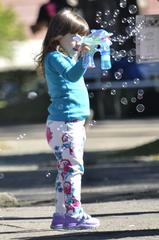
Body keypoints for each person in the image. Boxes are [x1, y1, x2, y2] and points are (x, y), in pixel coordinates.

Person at [36, 9, 100, 230]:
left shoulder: (63, 56)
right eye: (74, 36)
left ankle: (61, 215)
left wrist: (83, 53)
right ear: (57, 36)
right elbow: (73, 75)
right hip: (65, 125)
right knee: (73, 170)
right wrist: (84, 55)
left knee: (65, 170)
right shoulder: (54, 57)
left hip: (68, 124)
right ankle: (74, 213)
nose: (78, 41)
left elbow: (75, 71)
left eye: (81, 36)